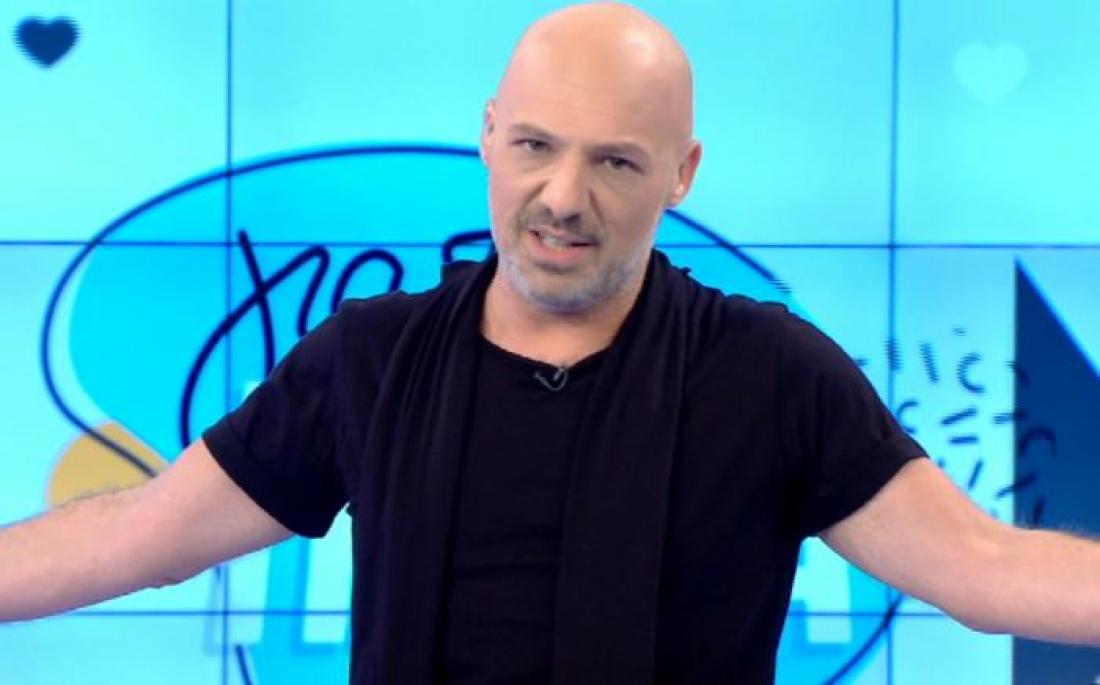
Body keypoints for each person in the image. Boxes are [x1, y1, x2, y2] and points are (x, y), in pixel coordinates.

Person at [2, 2, 1098, 683]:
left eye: (615, 162)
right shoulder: (366, 358)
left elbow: (982, 568)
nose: (562, 197)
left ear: (682, 174)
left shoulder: (772, 373)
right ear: (488, 134)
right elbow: (137, 535)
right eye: (535, 145)